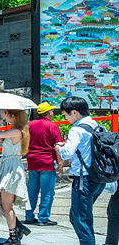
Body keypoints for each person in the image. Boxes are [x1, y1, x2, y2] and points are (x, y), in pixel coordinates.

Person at [56, 96, 106, 245]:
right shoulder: (98, 126)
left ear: (75, 112)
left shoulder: (77, 129)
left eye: (65, 114)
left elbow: (66, 154)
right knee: (76, 216)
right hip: (99, 178)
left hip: (84, 180)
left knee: (81, 220)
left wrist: (58, 147)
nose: (65, 117)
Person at [0, 109, 31, 245]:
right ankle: (18, 227)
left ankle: (13, 236)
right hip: (7, 166)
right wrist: (2, 123)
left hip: (11, 167)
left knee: (7, 205)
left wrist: (0, 121)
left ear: (13, 116)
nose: (5, 116)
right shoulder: (14, 131)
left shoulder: (16, 131)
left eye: (7, 114)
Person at [24, 102, 63, 227]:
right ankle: (43, 217)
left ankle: (29, 216)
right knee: (47, 191)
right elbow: (58, 147)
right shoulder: (53, 126)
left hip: (32, 161)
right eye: (51, 110)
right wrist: (60, 164)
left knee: (32, 190)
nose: (53, 112)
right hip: (47, 162)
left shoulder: (30, 125)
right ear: (49, 113)